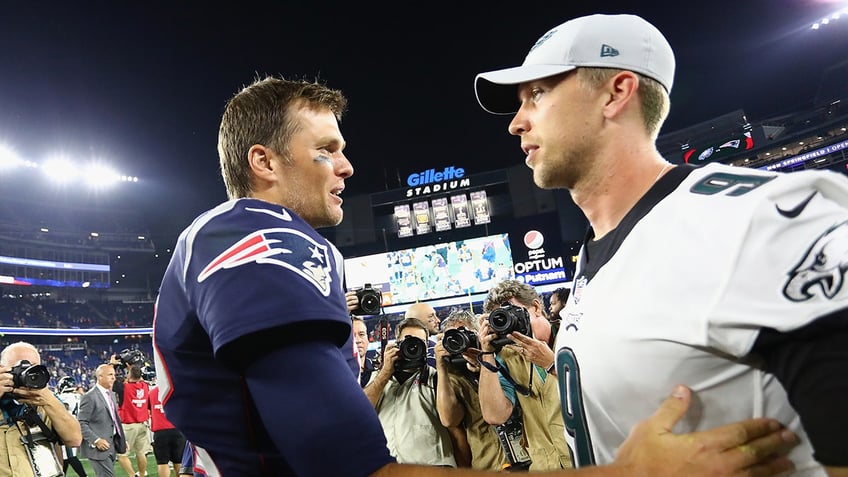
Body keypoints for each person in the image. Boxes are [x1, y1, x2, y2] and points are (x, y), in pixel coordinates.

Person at [152, 75, 799, 476]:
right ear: (262, 160)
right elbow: (355, 471)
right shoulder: (261, 238)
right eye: (325, 149)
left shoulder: (219, 241)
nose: (346, 166)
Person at [474, 13, 848, 476]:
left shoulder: (754, 218)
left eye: (538, 94)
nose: (516, 123)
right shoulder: (601, 248)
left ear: (616, 93)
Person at [477, 280, 570, 471]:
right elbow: (495, 415)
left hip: (588, 461)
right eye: (502, 317)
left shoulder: (573, 335)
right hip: (545, 466)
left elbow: (601, 390)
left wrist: (551, 364)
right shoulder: (507, 356)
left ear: (536, 307)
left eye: (513, 312)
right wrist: (487, 352)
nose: (510, 322)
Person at [364, 317, 457, 466]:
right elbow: (361, 412)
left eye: (419, 342)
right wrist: (385, 372)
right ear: (397, 344)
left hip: (433, 468)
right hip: (391, 468)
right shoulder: (377, 378)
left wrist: (441, 367)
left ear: (427, 347)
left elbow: (451, 420)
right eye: (408, 341)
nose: (413, 347)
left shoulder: (436, 377)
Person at [434, 309, 510, 471]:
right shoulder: (452, 378)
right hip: (487, 465)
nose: (461, 342)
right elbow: (449, 420)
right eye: (453, 338)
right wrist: (440, 366)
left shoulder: (503, 360)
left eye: (466, 334)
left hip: (526, 458)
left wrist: (484, 360)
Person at [0, 342, 83, 477]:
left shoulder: (47, 400)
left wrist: (49, 401)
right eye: (19, 367)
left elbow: (74, 439)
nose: (26, 373)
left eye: (32, 368)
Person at [79, 364, 126, 477]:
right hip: (99, 448)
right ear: (100, 377)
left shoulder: (111, 394)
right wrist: (96, 440)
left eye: (114, 375)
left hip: (112, 444)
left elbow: (114, 420)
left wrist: (121, 437)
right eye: (110, 375)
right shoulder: (89, 396)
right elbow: (81, 423)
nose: (114, 378)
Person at [113, 361, 152, 477]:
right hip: (142, 424)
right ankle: (141, 474)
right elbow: (137, 378)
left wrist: (113, 364)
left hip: (128, 425)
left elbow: (111, 379)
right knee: (141, 453)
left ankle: (132, 475)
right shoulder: (145, 386)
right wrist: (132, 368)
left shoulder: (124, 387)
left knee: (122, 454)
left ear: (129, 375)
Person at [149, 384, 186, 477]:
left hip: (160, 431)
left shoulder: (152, 392)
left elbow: (149, 409)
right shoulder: (177, 390)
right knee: (179, 461)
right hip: (177, 429)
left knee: (162, 462)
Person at [56, 376, 88, 477]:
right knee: (66, 457)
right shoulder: (76, 396)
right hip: (74, 426)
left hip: (67, 428)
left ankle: (83, 475)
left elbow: (64, 407)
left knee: (70, 456)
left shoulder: (66, 397)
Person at [404, 302, 439, 367]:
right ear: (416, 322)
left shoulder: (437, 347)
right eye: (431, 316)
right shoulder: (395, 354)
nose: (438, 320)